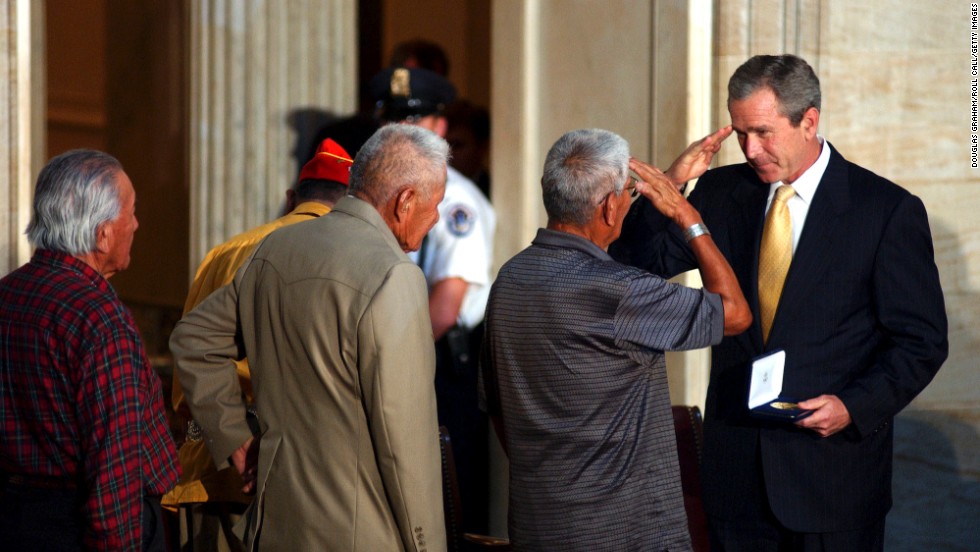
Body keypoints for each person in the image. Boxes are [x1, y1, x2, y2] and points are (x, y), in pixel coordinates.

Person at [611, 54, 949, 551]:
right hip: (736, 478)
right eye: (740, 132)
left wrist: (854, 407)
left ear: (809, 121)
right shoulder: (724, 191)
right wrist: (672, 185)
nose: (749, 149)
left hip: (831, 481)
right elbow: (636, 265)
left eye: (763, 132)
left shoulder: (884, 210)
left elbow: (921, 341)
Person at [170, 124, 449, 551]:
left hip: (275, 526)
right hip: (362, 535)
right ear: (405, 200)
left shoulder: (274, 250)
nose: (437, 218)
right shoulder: (395, 275)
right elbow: (405, 449)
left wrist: (234, 439)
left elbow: (192, 340)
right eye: (436, 205)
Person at [481, 128, 751, 551]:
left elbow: (496, 407)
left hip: (540, 524)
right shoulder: (620, 291)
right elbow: (734, 312)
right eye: (629, 192)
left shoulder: (510, 279)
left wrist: (669, 180)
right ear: (609, 207)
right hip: (627, 531)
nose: (629, 201)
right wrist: (687, 216)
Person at [163, 138, 353, 551]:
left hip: (214, 467)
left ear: (290, 199)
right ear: (350, 207)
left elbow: (186, 381)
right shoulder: (345, 259)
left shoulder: (225, 252)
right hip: (302, 475)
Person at [0, 149, 179, 551]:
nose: (137, 223)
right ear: (102, 234)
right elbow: (114, 473)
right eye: (130, 213)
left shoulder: (6, 296)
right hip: (76, 527)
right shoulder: (99, 321)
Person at [370, 65, 497, 533]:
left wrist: (387, 357)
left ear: (439, 128)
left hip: (438, 360)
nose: (400, 133)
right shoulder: (369, 194)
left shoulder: (455, 201)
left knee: (444, 500)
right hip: (389, 350)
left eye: (414, 121)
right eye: (392, 120)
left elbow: (445, 305)